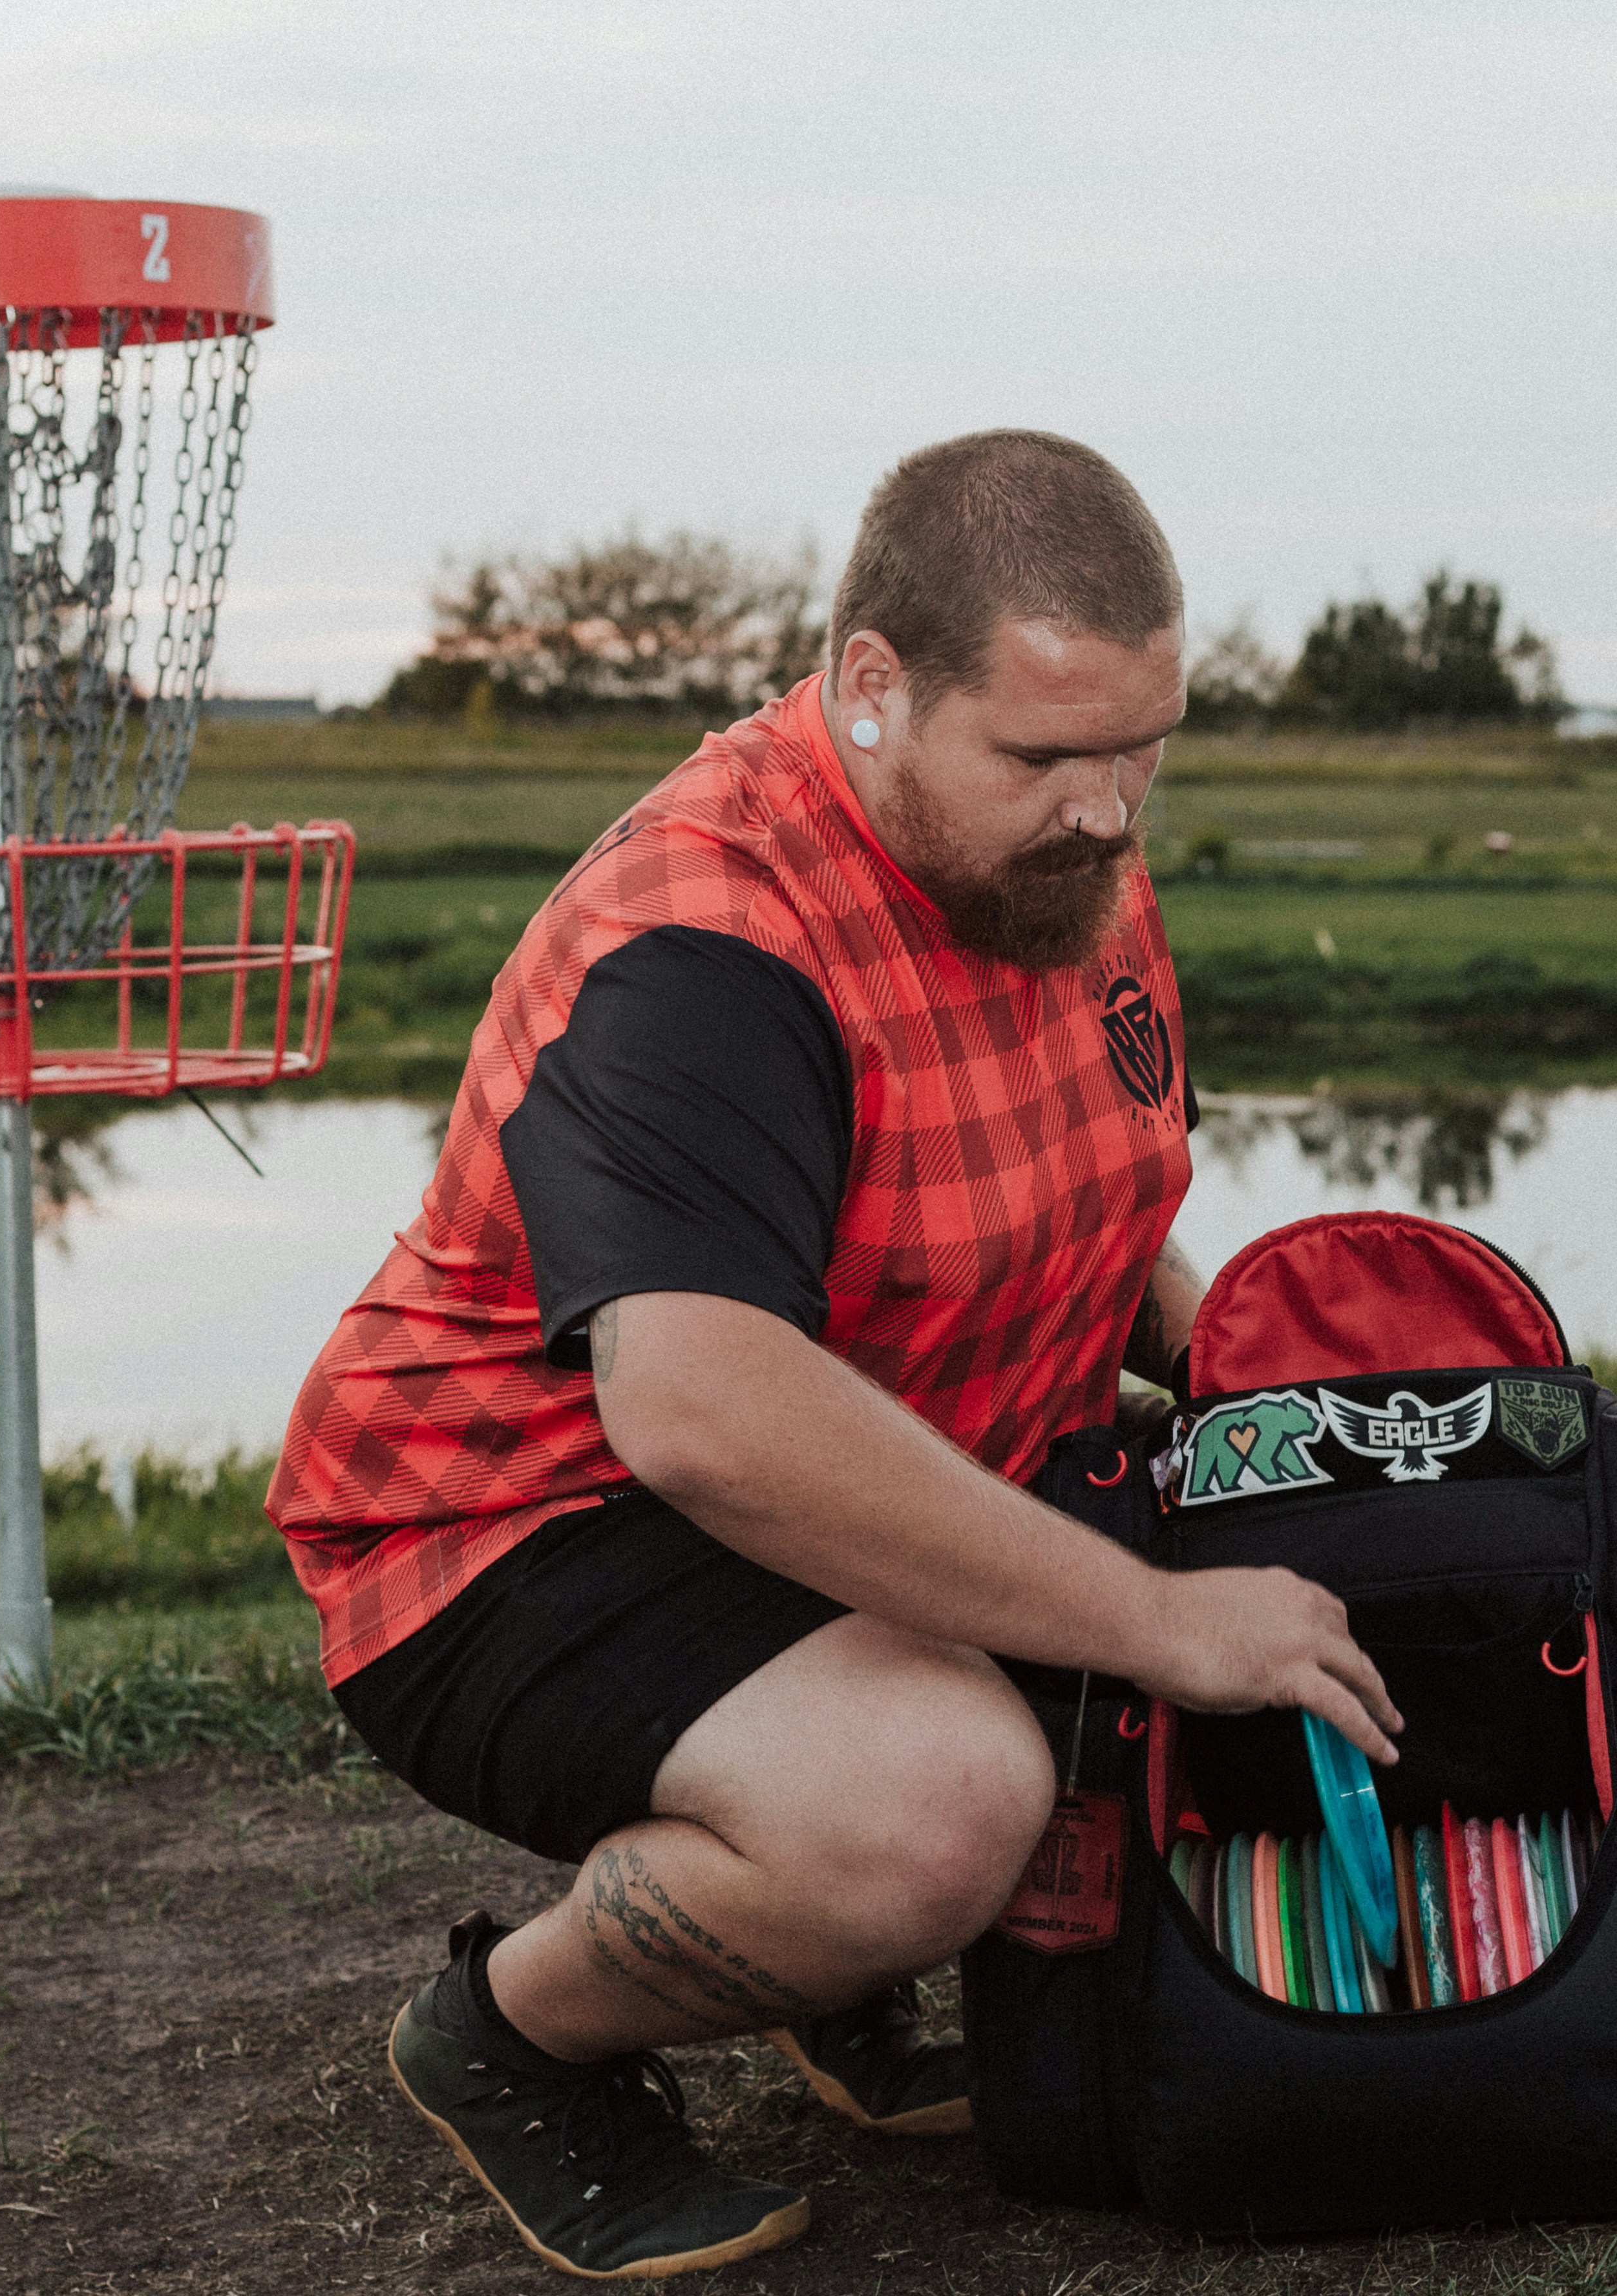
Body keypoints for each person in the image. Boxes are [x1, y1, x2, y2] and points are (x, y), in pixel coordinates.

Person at [271, 430, 1401, 2280]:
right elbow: (707, 1412)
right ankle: (515, 2032)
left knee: (1286, 1575)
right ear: (870, 686)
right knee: (942, 1806)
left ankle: (833, 1973)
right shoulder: (703, 946)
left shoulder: (1048, 858)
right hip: (510, 1527)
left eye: (1147, 746)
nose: (1113, 807)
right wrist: (1163, 1620)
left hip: (857, 1458)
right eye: (1047, 753)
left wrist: (1265, 1377)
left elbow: (1080, 1183)